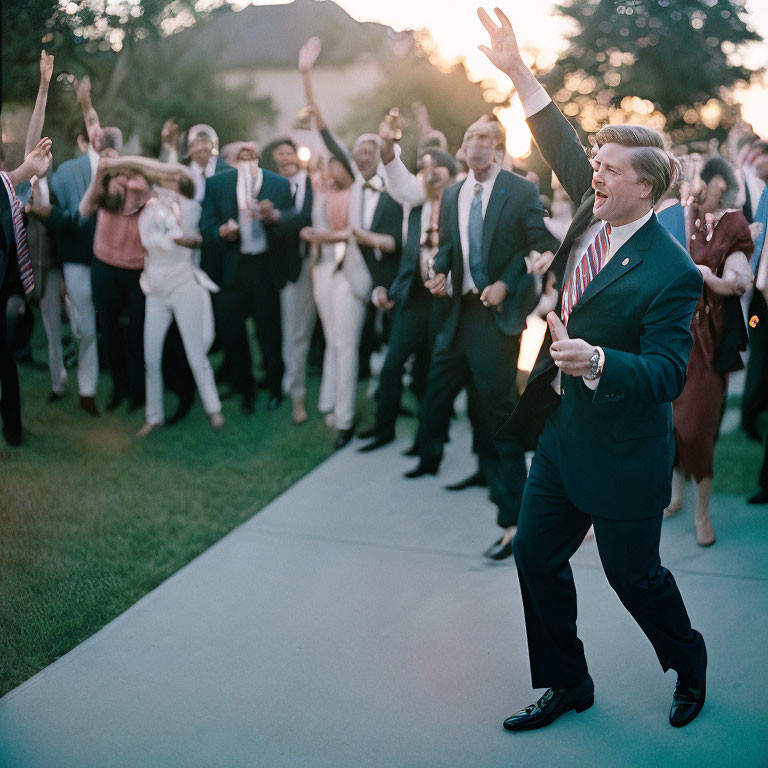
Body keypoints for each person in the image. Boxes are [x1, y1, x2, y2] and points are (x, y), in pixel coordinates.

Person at [479, 7, 707, 731]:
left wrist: (602, 359)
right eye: (596, 166)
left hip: (627, 452)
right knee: (536, 558)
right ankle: (568, 683)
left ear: (646, 190)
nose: (593, 176)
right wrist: (517, 70)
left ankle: (688, 662)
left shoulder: (674, 273)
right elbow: (557, 135)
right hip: (564, 436)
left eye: (609, 170)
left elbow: (670, 374)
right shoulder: (595, 200)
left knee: (632, 579)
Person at [403, 108, 557, 560]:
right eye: (468, 135)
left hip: (495, 321)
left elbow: (538, 243)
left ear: (497, 148)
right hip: (457, 315)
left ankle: (515, 521)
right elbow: (451, 245)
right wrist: (439, 271)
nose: (473, 142)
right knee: (434, 397)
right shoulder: (452, 194)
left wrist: (507, 283)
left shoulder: (520, 190)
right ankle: (477, 473)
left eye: (483, 136)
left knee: (501, 416)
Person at [299, 36, 404, 449]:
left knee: (359, 350)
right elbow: (321, 129)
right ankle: (335, 409)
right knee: (337, 344)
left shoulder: (396, 189)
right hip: (337, 273)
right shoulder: (355, 180)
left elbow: (394, 241)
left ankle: (358, 418)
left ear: (380, 153)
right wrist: (306, 75)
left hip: (372, 280)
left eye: (369, 147)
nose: (361, 152)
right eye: (357, 147)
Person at [662, 157, 753, 545]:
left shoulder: (734, 223)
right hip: (672, 336)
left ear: (716, 181)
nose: (690, 184)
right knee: (669, 423)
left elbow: (740, 282)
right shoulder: (680, 216)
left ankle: (702, 512)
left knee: (698, 427)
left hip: (709, 340)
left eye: (697, 175)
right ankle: (676, 496)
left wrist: (710, 279)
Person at [103, 158, 224, 436]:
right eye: (163, 180)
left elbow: (189, 238)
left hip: (184, 285)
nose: (163, 184)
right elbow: (148, 233)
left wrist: (181, 237)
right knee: (151, 356)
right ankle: (153, 415)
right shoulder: (149, 210)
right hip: (155, 289)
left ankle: (213, 408)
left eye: (170, 181)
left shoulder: (190, 209)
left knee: (196, 354)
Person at [357, 142, 457, 453]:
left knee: (428, 374)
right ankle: (383, 427)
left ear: (451, 175)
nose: (429, 173)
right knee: (392, 366)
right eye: (423, 167)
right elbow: (405, 257)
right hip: (413, 298)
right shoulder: (413, 208)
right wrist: (390, 290)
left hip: (444, 300)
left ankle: (428, 439)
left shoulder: (459, 207)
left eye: (436, 167)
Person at [199, 141, 293, 414]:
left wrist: (271, 218)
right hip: (232, 268)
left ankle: (274, 388)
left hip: (264, 268)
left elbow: (288, 228)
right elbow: (206, 226)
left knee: (269, 334)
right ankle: (245, 391)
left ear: (258, 158)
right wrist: (220, 232)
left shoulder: (278, 185)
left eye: (251, 154)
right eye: (241, 155)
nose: (246, 158)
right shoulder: (217, 184)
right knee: (233, 335)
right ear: (234, 161)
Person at [0, 136, 53, 446]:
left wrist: (43, 91)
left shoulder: (11, 191)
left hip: (4, 283)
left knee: (4, 357)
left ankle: (13, 426)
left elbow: (27, 168)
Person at [262, 136, 315, 424]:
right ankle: (294, 389)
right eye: (278, 154)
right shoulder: (270, 187)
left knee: (299, 334)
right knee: (291, 331)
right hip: (284, 268)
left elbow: (305, 217)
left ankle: (297, 391)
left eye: (287, 152)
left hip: (312, 263)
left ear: (296, 156)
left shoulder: (312, 183)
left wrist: (276, 216)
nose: (284, 158)